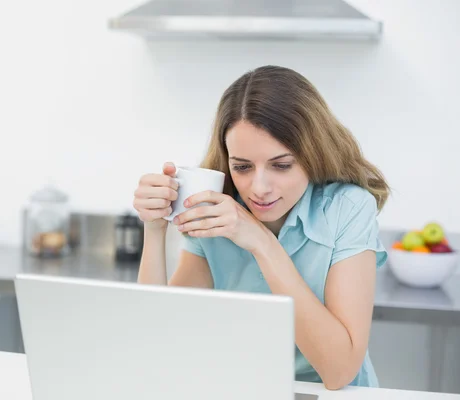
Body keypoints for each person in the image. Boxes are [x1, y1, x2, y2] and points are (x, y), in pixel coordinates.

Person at [132, 65, 389, 390]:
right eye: (242, 167)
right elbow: (158, 343)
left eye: (281, 165)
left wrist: (261, 242)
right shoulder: (214, 208)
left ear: (312, 153)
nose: (259, 188)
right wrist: (154, 231)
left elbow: (338, 372)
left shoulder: (347, 208)